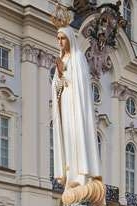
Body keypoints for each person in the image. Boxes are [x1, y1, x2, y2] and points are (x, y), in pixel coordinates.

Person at [51, 25, 100, 188]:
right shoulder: (62, 59)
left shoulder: (78, 57)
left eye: (62, 38)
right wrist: (59, 74)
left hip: (76, 107)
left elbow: (79, 83)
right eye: (58, 39)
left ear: (70, 39)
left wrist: (63, 74)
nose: (60, 42)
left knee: (78, 136)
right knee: (68, 138)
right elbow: (57, 87)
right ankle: (70, 175)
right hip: (65, 105)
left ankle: (81, 175)